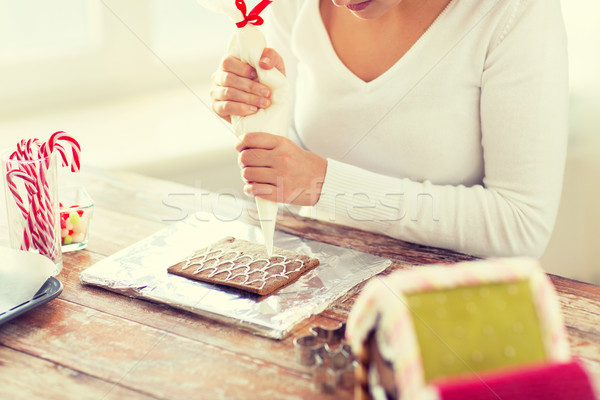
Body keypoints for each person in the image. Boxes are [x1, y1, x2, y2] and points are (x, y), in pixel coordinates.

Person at [209, 0, 569, 258]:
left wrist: (325, 185)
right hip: (324, 283)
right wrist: (253, 113)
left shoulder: (512, 11)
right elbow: (296, 165)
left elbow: (522, 226)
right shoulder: (291, 6)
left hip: (455, 305)